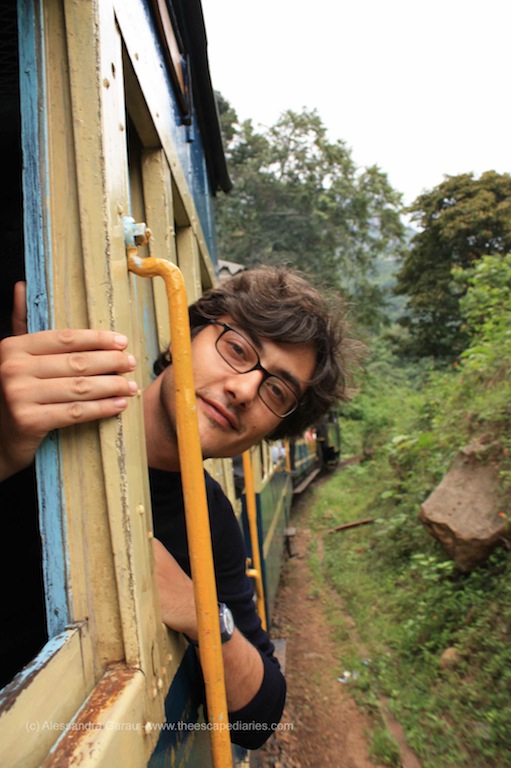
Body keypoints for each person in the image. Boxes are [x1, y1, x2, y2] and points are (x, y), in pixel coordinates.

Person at [0, 267, 351, 749]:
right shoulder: (42, 408)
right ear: (183, 335)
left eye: (277, 392)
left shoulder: (212, 519)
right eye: (236, 349)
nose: (245, 389)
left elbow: (260, 718)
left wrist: (197, 608)